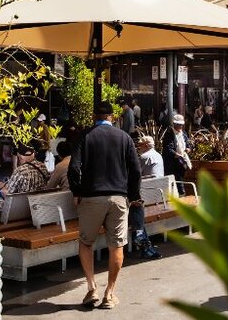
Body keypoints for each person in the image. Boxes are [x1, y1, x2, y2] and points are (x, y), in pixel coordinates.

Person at [68, 101, 142, 310]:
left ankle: (92, 287)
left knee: (86, 243)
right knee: (116, 245)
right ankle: (110, 293)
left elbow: (74, 168)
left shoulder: (85, 136)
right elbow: (135, 171)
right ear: (112, 116)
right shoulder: (124, 137)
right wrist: (133, 195)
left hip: (91, 197)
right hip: (118, 197)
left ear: (93, 116)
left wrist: (77, 191)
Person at [163, 114, 192, 192]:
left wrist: (188, 148)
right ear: (174, 124)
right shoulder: (169, 133)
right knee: (174, 180)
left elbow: (188, 143)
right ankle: (180, 193)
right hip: (172, 163)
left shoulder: (183, 133)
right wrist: (176, 155)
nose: (180, 126)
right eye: (179, 125)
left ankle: (181, 193)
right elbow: (168, 148)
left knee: (180, 178)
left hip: (181, 161)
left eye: (181, 125)